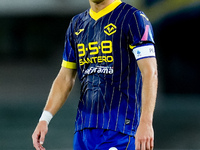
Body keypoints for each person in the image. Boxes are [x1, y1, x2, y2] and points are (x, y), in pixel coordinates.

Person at [32, 0, 158, 149]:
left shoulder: (133, 18)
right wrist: (44, 119)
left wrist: (146, 122)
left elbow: (150, 72)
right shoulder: (77, 24)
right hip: (83, 131)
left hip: (120, 130)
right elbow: (65, 77)